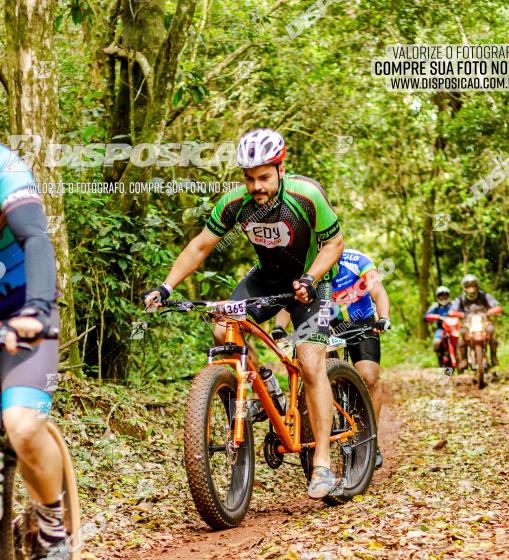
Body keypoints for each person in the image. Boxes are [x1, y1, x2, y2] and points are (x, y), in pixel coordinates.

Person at [144, 128, 345, 499]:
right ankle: (263, 385)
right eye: (250, 178)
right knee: (224, 331)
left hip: (312, 281)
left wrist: (311, 277)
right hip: (267, 280)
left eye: (264, 177)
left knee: (311, 361)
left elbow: (334, 243)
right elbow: (201, 245)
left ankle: (322, 462)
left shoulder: (307, 196)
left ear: (281, 170)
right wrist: (166, 287)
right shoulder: (235, 203)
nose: (257, 186)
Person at [0, 144, 70, 560]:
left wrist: (37, 309)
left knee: (23, 426)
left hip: (25, 310)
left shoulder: (5, 167)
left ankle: (52, 529)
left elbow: (35, 238)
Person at [271, 247, 390, 469]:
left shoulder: (357, 260)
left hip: (360, 323)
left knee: (369, 375)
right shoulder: (308, 268)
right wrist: (279, 327)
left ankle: (370, 437)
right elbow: (293, 303)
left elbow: (378, 291)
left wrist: (383, 317)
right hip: (325, 326)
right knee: (318, 375)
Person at [451, 274, 502, 369]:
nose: (471, 289)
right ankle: (463, 359)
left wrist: (492, 311)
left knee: (491, 331)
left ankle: (494, 357)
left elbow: (497, 306)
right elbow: (452, 311)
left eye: (473, 286)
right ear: (464, 288)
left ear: (477, 286)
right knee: (461, 334)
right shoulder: (460, 299)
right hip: (467, 323)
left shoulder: (485, 295)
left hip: (484, 321)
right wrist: (459, 314)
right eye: (468, 286)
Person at [424, 285, 452, 366]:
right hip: (441, 328)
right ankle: (440, 359)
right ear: (438, 297)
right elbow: (426, 316)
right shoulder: (435, 306)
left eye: (445, 296)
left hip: (453, 329)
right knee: (436, 342)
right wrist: (434, 317)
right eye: (441, 296)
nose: (443, 298)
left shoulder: (453, 305)